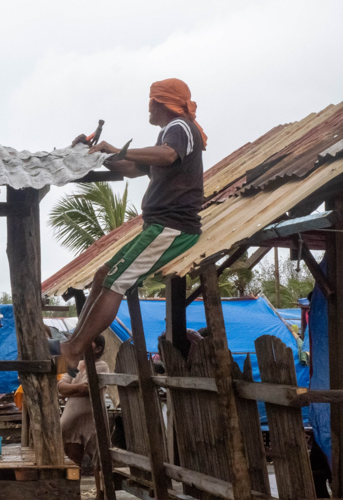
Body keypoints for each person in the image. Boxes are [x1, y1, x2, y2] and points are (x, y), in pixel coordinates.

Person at [61, 78, 207, 368]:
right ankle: (76, 340)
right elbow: (127, 169)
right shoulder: (168, 135)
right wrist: (99, 155)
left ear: (160, 103)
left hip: (172, 227)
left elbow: (166, 156)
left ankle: (75, 348)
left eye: (151, 102)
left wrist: (121, 150)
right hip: (159, 226)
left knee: (116, 281)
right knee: (104, 274)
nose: (148, 108)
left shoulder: (179, 128)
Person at [58, 335, 109, 500]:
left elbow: (88, 388)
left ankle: (100, 495)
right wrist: (76, 388)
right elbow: (60, 387)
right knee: (73, 462)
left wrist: (71, 388)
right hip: (72, 423)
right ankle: (75, 495)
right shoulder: (76, 366)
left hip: (93, 420)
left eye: (90, 341)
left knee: (99, 461)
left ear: (98, 348)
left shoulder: (101, 366)